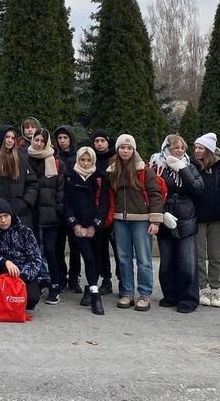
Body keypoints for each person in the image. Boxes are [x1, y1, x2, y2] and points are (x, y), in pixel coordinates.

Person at [107, 134, 163, 311]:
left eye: (129, 147)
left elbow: (155, 194)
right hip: (120, 220)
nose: (125, 150)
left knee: (144, 259)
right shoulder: (112, 170)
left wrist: (155, 220)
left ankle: (145, 294)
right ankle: (127, 293)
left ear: (134, 150)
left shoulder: (144, 170)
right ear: (118, 149)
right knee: (123, 259)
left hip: (141, 220)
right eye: (122, 147)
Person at [149, 134, 204, 313]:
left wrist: (182, 169)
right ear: (167, 148)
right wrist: (161, 213)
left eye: (182, 148)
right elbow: (151, 191)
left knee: (187, 263)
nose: (179, 151)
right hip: (165, 217)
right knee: (167, 263)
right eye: (175, 147)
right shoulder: (157, 166)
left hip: (186, 218)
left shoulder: (189, 165)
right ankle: (170, 295)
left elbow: (197, 189)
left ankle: (188, 298)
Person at [65, 147, 108, 315]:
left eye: (88, 160)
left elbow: (104, 203)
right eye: (82, 160)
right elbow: (66, 202)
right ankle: (96, 296)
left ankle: (90, 289)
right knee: (88, 258)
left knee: (96, 259)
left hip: (95, 227)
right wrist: (75, 224)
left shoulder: (100, 177)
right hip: (78, 227)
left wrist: (94, 226)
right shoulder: (70, 176)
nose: (85, 163)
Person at [0, 198, 42, 310]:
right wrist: (4, 262)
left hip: (23, 272)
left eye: (6, 216)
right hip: (2, 270)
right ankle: (0, 298)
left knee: (31, 301)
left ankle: (14, 297)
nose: (3, 220)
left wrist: (22, 277)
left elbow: (36, 259)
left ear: (11, 215)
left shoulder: (25, 232)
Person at [26, 128, 65, 304]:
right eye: (36, 140)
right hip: (32, 213)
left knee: (50, 250)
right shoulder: (25, 158)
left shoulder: (55, 162)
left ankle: (55, 285)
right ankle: (40, 281)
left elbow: (61, 188)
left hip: (50, 214)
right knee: (34, 250)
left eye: (42, 140)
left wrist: (58, 207)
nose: (39, 143)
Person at [192, 132, 220, 308]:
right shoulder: (192, 165)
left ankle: (215, 288)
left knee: (216, 255)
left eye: (200, 148)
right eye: (196, 148)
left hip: (218, 217)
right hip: (198, 217)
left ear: (208, 150)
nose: (197, 151)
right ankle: (202, 287)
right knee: (199, 254)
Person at [0, 125, 38, 228]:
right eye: (7, 137)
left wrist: (24, 202)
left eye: (13, 138)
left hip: (20, 215)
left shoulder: (21, 159)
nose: (10, 140)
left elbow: (32, 183)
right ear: (1, 138)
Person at [54, 124, 82, 293]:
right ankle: (61, 276)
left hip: (74, 206)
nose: (63, 141)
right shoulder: (54, 157)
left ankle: (74, 277)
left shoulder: (79, 157)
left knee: (75, 246)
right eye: (60, 138)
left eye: (65, 138)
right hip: (58, 206)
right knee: (58, 246)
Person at [90, 129, 119, 295]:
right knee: (100, 249)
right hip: (98, 211)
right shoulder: (91, 159)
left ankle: (124, 281)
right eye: (96, 141)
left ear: (108, 142)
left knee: (119, 249)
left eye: (102, 141)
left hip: (115, 209)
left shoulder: (116, 158)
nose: (99, 144)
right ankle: (106, 279)